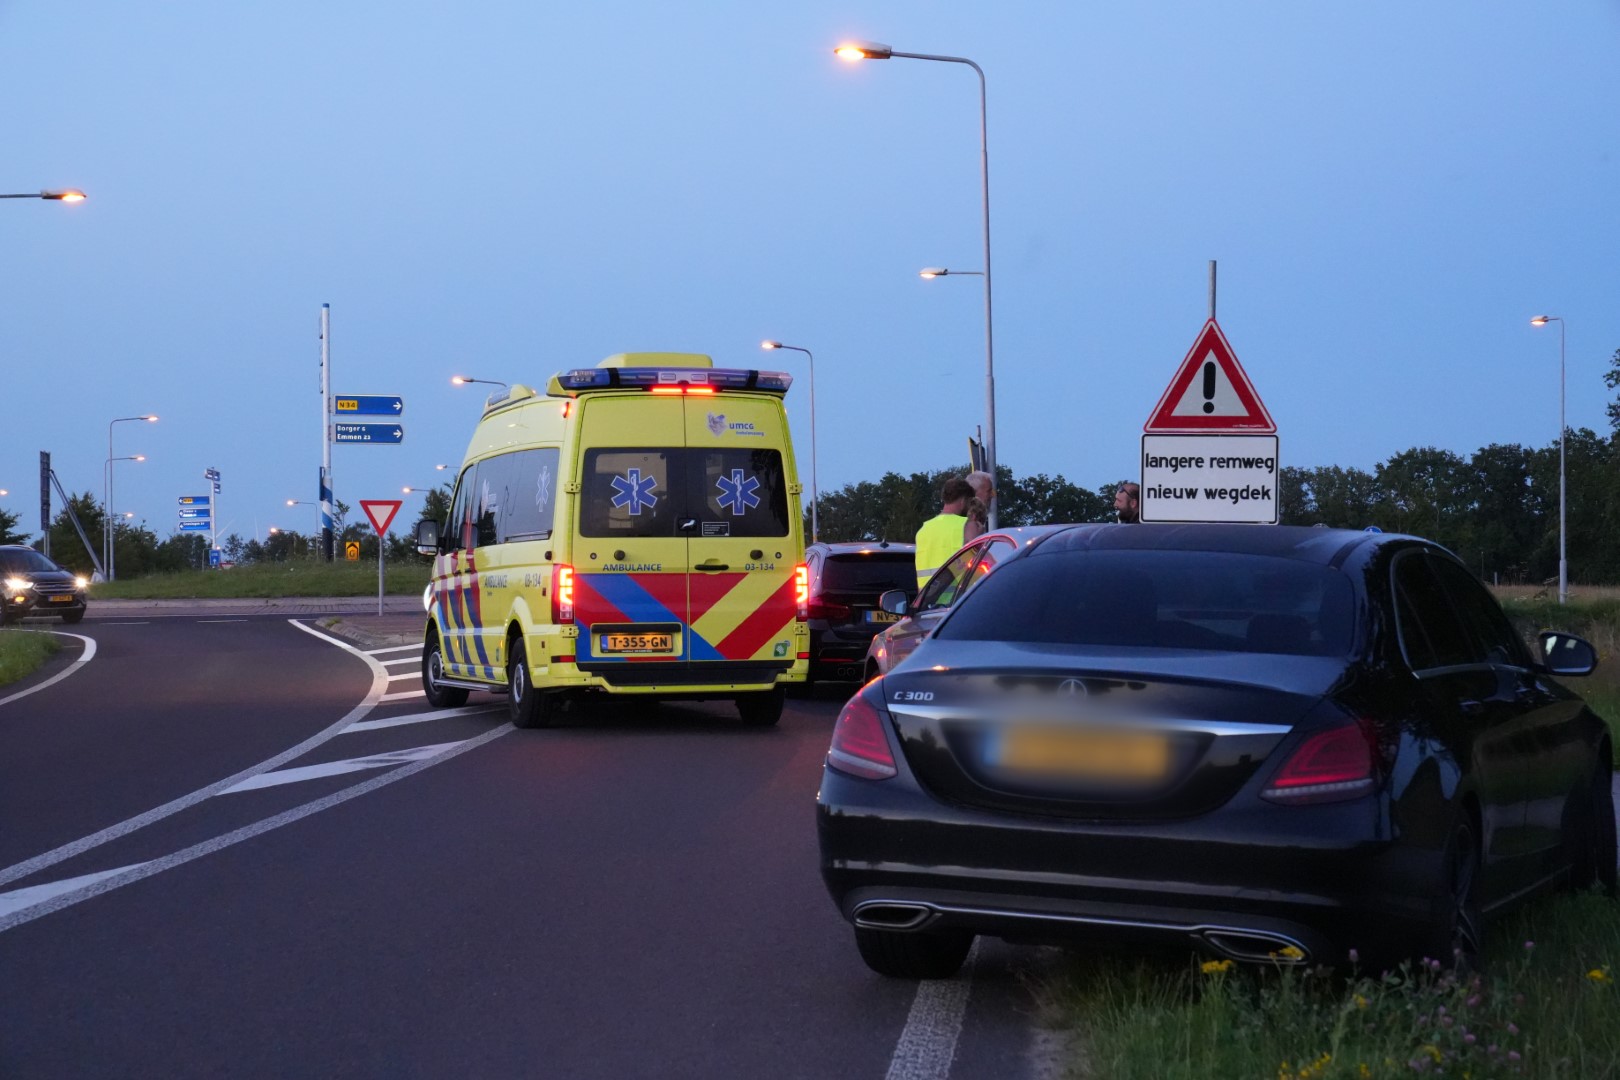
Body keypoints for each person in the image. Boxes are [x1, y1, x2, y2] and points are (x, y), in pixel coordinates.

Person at [914, 477, 974, 589]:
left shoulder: (923, 530)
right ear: (963, 500)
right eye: (969, 502)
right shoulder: (966, 525)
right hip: (957, 602)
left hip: (926, 603)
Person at [963, 470, 994, 542]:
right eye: (989, 491)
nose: (992, 495)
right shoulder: (967, 522)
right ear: (974, 491)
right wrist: (977, 539)